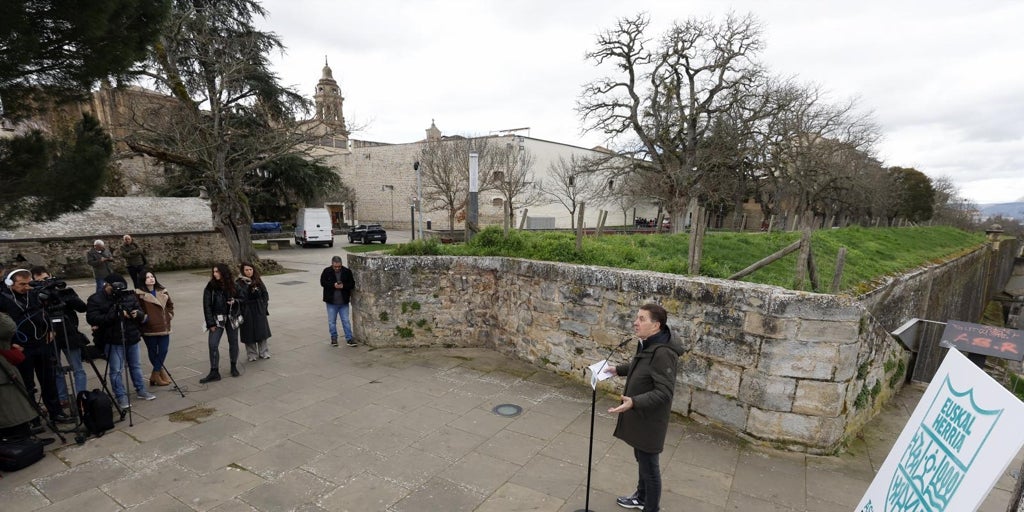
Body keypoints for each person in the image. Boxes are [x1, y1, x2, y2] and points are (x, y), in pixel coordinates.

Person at [602, 303, 684, 512]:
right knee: (642, 458)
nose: (635, 322)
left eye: (642, 319)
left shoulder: (663, 352)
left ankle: (651, 507)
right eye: (637, 317)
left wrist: (634, 401)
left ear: (656, 325)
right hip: (641, 416)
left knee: (650, 467)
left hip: (650, 420)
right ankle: (640, 497)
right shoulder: (649, 343)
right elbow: (643, 368)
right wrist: (617, 370)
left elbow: (665, 392)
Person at [0, 269, 69, 423]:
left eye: (27, 283)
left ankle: (55, 412)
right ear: (10, 283)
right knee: (27, 384)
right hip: (22, 347)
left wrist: (51, 329)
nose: (25, 287)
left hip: (42, 343)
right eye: (21, 284)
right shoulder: (4, 299)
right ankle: (33, 418)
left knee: (48, 381)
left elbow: (46, 313)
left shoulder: (34, 295)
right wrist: (11, 345)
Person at [86, 274, 156, 409]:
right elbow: (93, 319)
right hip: (112, 339)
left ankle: (141, 390)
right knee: (116, 370)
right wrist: (116, 314)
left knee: (135, 366)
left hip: (131, 336)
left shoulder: (128, 295)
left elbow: (141, 313)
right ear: (107, 285)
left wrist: (137, 314)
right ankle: (121, 396)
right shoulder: (96, 299)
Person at [29, 266, 89, 410]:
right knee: (56, 370)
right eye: (40, 281)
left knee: (77, 368)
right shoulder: (36, 295)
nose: (45, 283)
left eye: (46, 279)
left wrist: (63, 295)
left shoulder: (63, 291)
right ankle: (62, 398)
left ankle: (81, 397)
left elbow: (82, 307)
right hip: (50, 335)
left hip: (69, 332)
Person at [0, 311, 53, 444]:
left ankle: (24, 438)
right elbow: (9, 327)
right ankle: (23, 442)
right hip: (4, 374)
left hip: (7, 362)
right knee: (13, 407)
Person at [201, 263, 240, 382]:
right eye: (214, 272)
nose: (215, 274)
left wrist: (235, 301)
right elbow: (206, 305)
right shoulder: (210, 286)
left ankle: (233, 366)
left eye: (217, 271)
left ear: (223, 272)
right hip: (217, 318)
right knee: (213, 344)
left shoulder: (233, 284)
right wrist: (210, 323)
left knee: (233, 342)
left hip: (231, 317)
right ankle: (214, 371)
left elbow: (242, 299)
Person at [136, 271, 173, 387]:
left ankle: (155, 374)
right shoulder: (139, 294)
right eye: (147, 277)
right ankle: (159, 373)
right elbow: (137, 309)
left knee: (163, 350)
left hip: (163, 325)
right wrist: (146, 319)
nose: (151, 279)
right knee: (153, 352)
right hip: (149, 328)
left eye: (152, 276)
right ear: (143, 280)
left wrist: (169, 315)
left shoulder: (163, 291)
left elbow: (170, 305)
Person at [236, 262, 271, 361]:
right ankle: (252, 354)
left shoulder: (257, 280)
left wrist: (264, 305)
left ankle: (264, 352)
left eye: (250, 269)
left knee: (261, 331)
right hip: (247, 309)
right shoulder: (239, 282)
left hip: (258, 308)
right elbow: (240, 296)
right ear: (243, 271)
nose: (249, 272)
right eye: (246, 270)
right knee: (248, 332)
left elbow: (265, 293)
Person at [320, 255, 355, 347]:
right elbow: (322, 283)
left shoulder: (347, 272)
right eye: (335, 267)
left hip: (343, 302)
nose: (337, 268)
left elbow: (352, 284)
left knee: (346, 321)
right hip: (331, 302)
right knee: (332, 321)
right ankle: (334, 338)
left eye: (339, 266)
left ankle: (349, 338)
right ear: (332, 265)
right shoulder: (327, 271)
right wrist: (333, 285)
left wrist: (343, 286)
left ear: (341, 264)